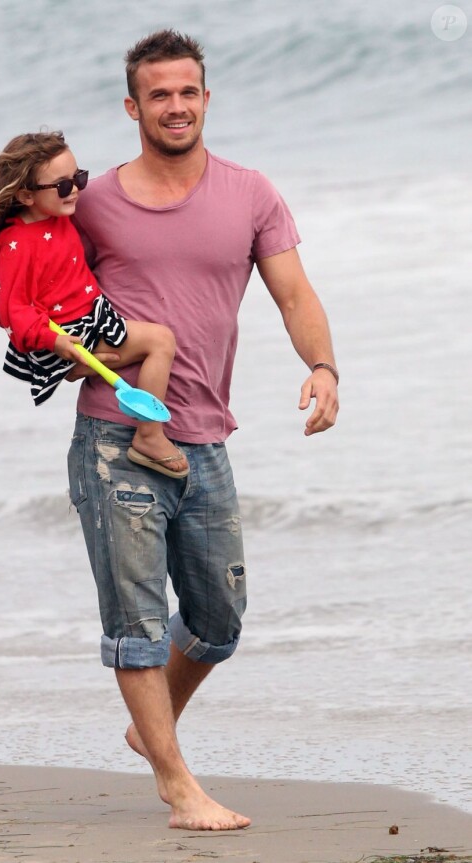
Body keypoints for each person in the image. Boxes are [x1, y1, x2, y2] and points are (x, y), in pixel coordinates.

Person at [68, 29, 339, 831]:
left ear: (207, 99)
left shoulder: (251, 193)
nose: (176, 105)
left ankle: (147, 729)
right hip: (115, 434)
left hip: (204, 439)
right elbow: (48, 307)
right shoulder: (92, 202)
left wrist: (324, 368)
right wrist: (100, 359)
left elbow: (294, 293)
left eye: (188, 92)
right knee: (138, 619)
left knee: (218, 618)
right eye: (159, 94)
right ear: (132, 106)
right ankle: (177, 782)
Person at [0, 131, 189, 477]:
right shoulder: (16, 243)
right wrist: (55, 342)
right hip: (63, 332)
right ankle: (149, 435)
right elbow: (16, 310)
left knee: (120, 352)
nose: (76, 191)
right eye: (62, 186)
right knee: (161, 341)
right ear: (25, 195)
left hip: (91, 315)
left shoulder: (57, 215)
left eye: (79, 178)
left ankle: (84, 366)